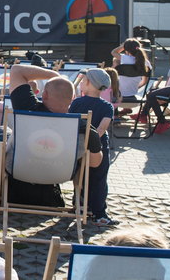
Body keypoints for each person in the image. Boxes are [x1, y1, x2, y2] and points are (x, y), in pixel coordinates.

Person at [0, 63, 103, 207]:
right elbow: (95, 163)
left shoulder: (28, 107)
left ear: (44, 95)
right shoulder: (83, 126)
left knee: (0, 131)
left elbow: (17, 70)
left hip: (17, 168)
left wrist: (54, 75)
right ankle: (83, 202)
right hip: (61, 174)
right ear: (72, 98)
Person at [70, 68, 115, 225]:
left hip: (76, 146)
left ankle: (80, 204)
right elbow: (102, 130)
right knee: (99, 179)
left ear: (88, 83)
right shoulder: (107, 106)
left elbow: (69, 124)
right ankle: (99, 213)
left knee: (79, 176)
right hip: (98, 148)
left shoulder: (76, 103)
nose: (81, 83)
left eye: (83, 81)